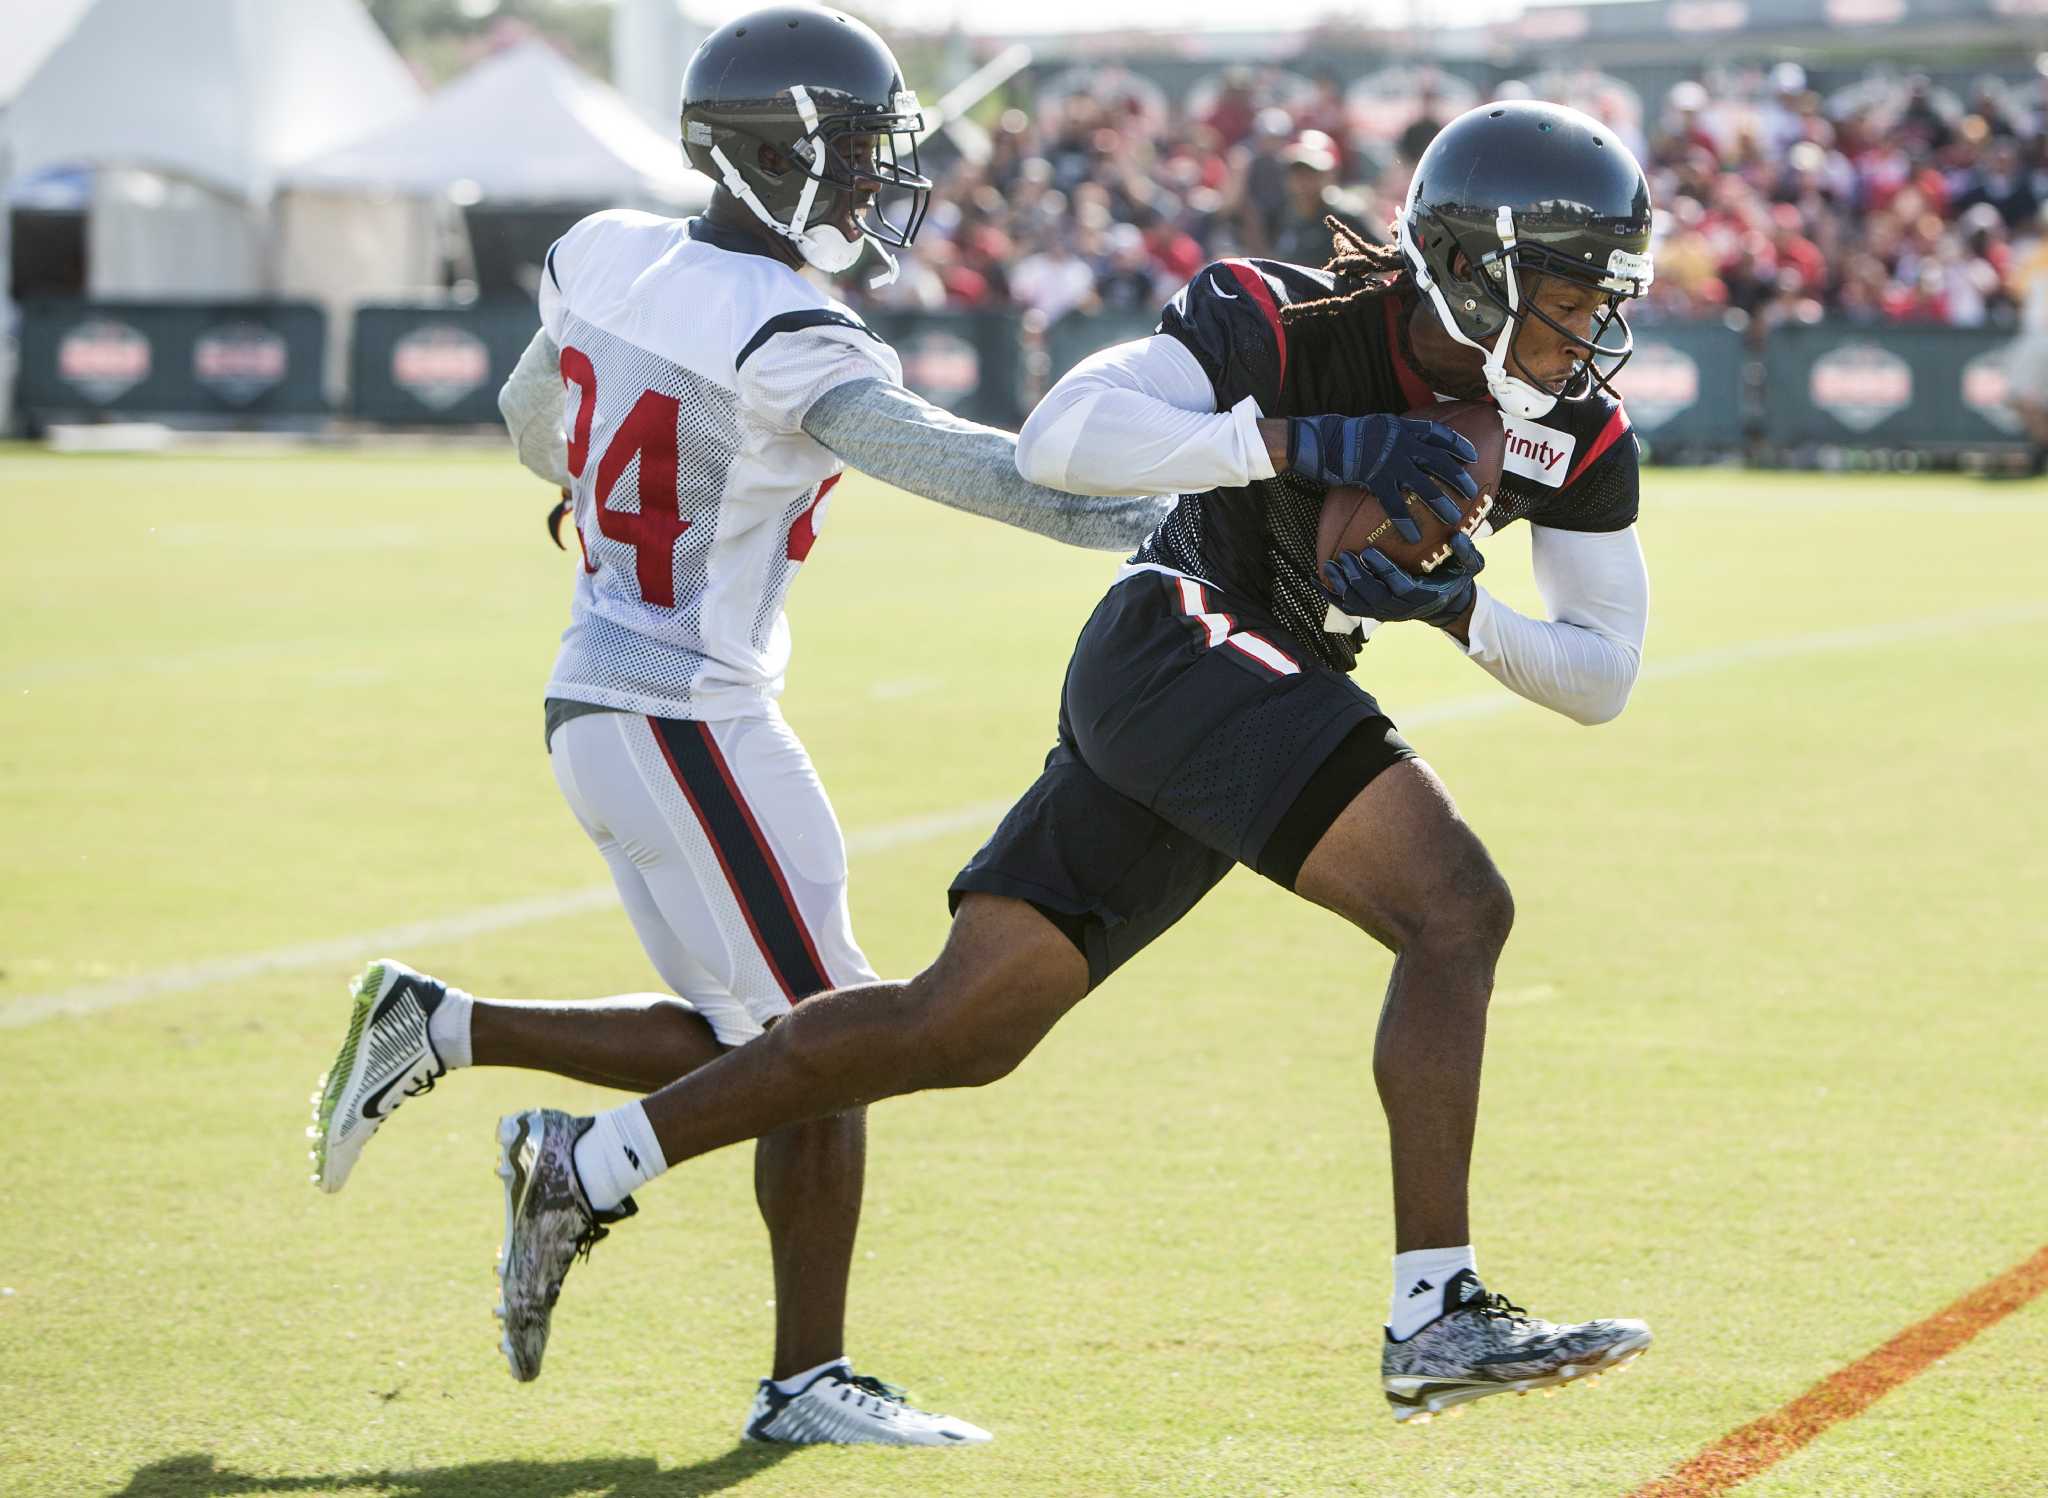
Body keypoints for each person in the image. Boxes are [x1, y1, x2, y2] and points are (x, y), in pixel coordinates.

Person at [483, 100, 1658, 1428]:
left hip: (1244, 691)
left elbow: (1601, 669)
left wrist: (1459, 612)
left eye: (1603, 290)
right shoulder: (1282, 321)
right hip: (1181, 640)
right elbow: (1059, 438)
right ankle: (1437, 1311)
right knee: (1455, 905)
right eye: (1568, 289)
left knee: (956, 1027)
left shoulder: (1574, 424)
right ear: (1472, 264)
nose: (1590, 323)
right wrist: (1289, 439)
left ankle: (589, 1159)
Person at [305, 2, 1169, 1447]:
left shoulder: (611, 249)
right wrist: (1155, 514)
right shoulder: (785, 325)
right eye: (845, 163)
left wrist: (597, 475)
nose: (869, 193)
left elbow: (534, 418)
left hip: (599, 699)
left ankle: (442, 1025)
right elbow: (949, 464)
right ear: (769, 159)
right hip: (687, 714)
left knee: (767, 1031)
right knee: (840, 1036)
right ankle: (759, 1336)